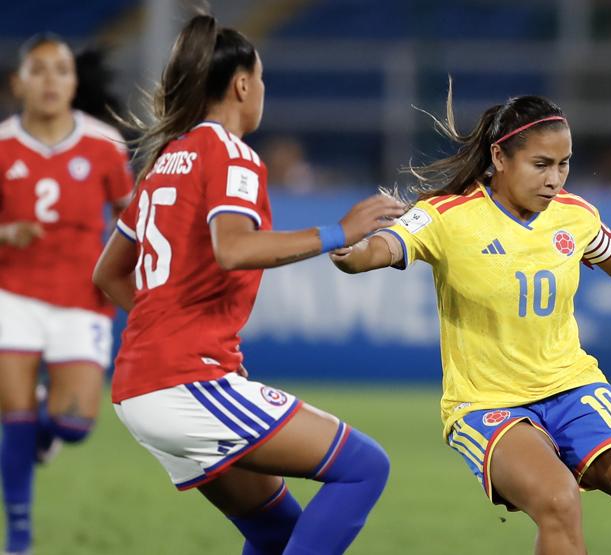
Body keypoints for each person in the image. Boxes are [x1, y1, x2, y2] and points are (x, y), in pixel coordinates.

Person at [331, 92, 611, 555]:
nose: (555, 179)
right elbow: (380, 249)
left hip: (574, 389)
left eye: (564, 164)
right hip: (487, 405)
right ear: (499, 157)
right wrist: (348, 249)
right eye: (541, 164)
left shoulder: (573, 215)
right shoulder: (447, 216)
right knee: (559, 500)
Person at [91, 15, 404, 554]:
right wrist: (339, 231)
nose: (262, 91)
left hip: (139, 386)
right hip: (188, 382)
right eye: (261, 79)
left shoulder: (166, 160)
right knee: (364, 468)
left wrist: (166, 322)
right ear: (241, 84)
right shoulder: (230, 152)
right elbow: (232, 248)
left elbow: (108, 273)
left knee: (274, 530)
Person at [0, 33, 132, 555]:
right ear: (19, 82)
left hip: (82, 297)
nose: (50, 80)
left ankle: (48, 432)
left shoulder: (104, 144)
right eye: (39, 69)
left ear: (74, 83)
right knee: (14, 416)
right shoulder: (2, 145)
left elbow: (130, 217)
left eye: (61, 70)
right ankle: (19, 536)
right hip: (13, 294)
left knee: (73, 423)